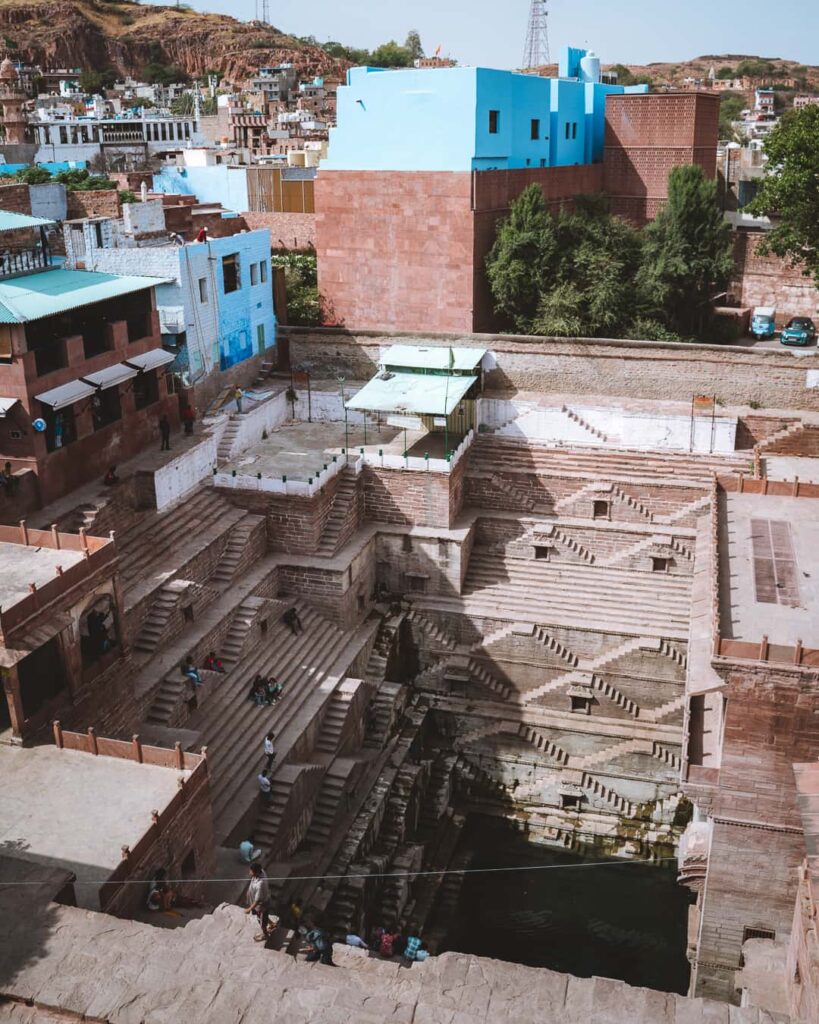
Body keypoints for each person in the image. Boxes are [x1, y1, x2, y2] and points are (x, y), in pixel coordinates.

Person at [245, 863, 274, 942]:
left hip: (261, 906)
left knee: (261, 922)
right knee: (263, 917)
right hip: (257, 902)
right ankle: (272, 924)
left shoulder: (260, 884)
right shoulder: (260, 872)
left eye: (251, 871)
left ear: (256, 872)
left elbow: (258, 900)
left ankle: (265, 935)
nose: (249, 872)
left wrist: (249, 909)